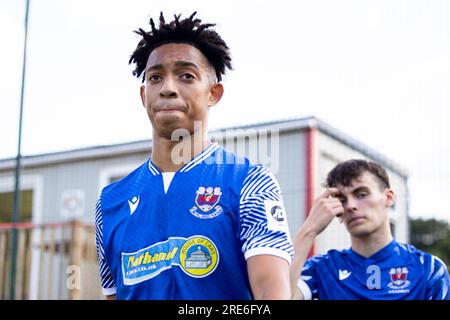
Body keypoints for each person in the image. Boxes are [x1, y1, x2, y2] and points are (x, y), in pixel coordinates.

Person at [94, 12, 294, 300]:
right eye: (155, 77)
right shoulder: (109, 202)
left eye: (186, 75)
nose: (167, 88)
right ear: (143, 95)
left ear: (214, 93)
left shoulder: (249, 182)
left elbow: (271, 295)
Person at [290, 159, 450, 300]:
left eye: (361, 194)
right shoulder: (321, 269)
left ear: (389, 198)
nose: (350, 205)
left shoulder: (428, 269)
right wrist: (309, 230)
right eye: (342, 200)